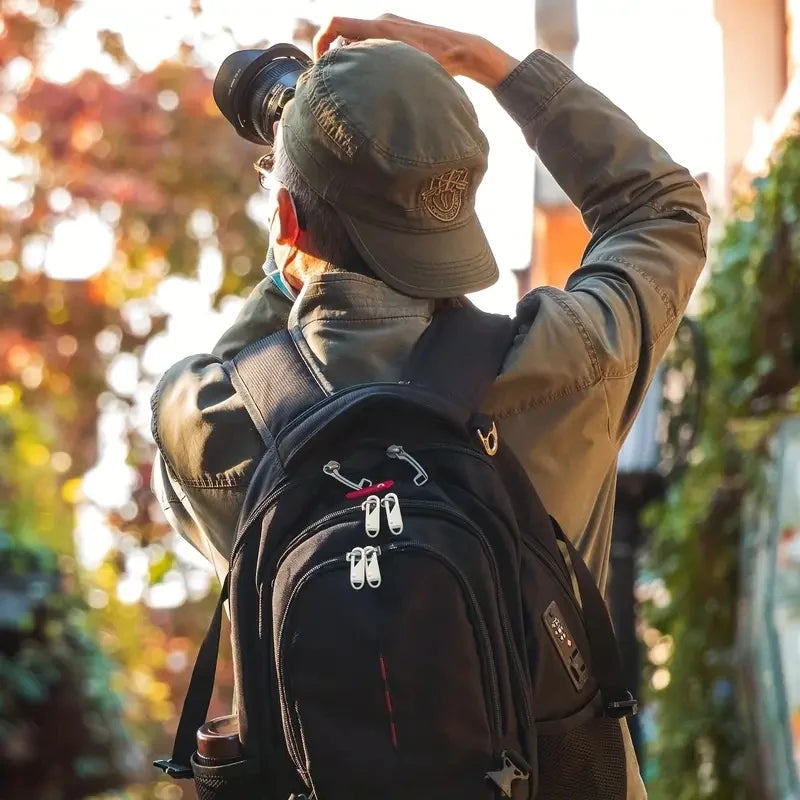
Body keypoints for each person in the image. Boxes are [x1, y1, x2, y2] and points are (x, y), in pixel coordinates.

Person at [150, 15, 708, 799]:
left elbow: (239, 359)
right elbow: (660, 208)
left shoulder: (206, 420)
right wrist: (485, 64)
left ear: (286, 222)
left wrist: (291, 247)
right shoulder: (569, 356)